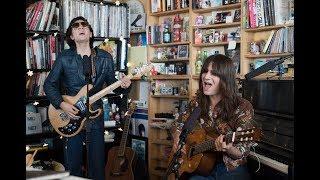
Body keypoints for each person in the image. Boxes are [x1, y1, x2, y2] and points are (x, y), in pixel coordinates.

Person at [44, 16, 131, 180]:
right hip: (70, 116)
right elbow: (49, 85)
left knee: (97, 166)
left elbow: (113, 84)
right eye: (75, 26)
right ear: (71, 35)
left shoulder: (105, 57)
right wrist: (63, 105)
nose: (80, 27)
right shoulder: (64, 57)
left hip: (95, 117)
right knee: (73, 166)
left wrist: (125, 85)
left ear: (90, 33)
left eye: (84, 25)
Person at [170, 54, 258, 180]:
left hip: (230, 168)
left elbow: (241, 151)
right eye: (205, 71)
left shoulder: (242, 106)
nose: (206, 76)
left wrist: (229, 148)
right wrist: (177, 138)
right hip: (200, 165)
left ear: (225, 79)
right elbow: (177, 124)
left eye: (214, 73)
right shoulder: (197, 103)